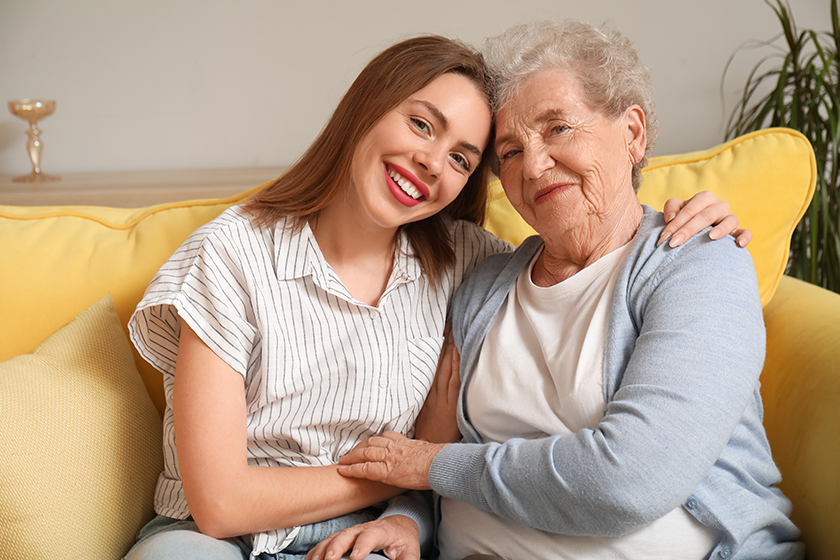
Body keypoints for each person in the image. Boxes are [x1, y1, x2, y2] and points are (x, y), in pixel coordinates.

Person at [123, 33, 749, 560]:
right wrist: (410, 483)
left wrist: (708, 234)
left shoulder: (473, 266)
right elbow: (222, 502)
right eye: (421, 124)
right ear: (365, 109)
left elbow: (590, 265)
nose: (532, 168)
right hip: (221, 537)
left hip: (358, 541)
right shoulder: (237, 253)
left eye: (463, 156)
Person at [320, 20, 805, 560]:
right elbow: (445, 451)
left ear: (633, 133)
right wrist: (409, 520)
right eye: (508, 151)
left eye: (558, 129)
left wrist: (428, 464)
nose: (534, 164)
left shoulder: (698, 264)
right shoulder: (481, 283)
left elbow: (627, 482)